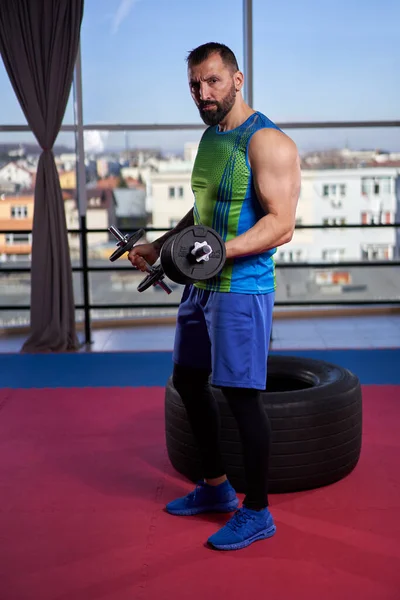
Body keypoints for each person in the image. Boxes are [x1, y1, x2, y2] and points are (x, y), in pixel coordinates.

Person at [128, 42, 301, 551]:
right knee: (187, 378)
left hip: (241, 290)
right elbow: (203, 212)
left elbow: (281, 225)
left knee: (243, 399)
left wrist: (216, 253)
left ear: (237, 79)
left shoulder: (267, 142)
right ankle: (214, 488)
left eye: (213, 82)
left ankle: (259, 511)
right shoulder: (209, 139)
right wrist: (161, 246)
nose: (203, 93)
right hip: (201, 286)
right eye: (195, 85)